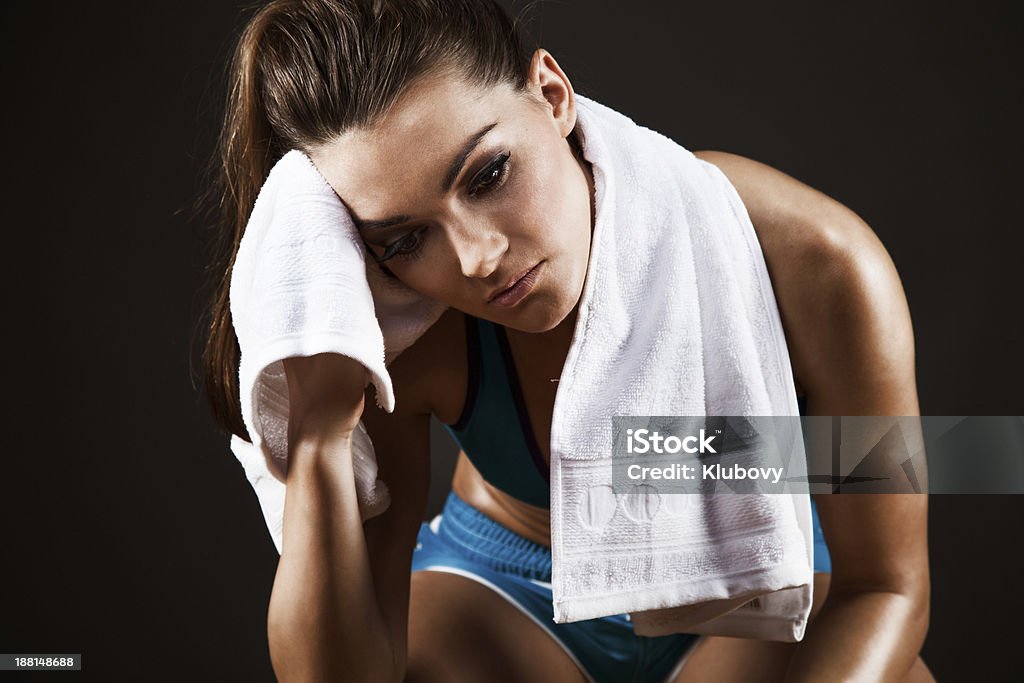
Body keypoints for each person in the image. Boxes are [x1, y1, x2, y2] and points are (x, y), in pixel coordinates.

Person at [202, 1, 934, 681]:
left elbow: (886, 587)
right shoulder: (407, 326)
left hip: (748, 595)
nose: (475, 258)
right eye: (406, 237)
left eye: (488, 174)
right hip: (504, 600)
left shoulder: (816, 263)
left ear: (553, 95)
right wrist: (322, 431)